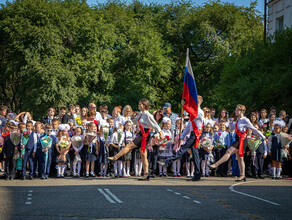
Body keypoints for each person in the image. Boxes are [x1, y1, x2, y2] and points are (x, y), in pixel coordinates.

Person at [107, 99, 164, 181]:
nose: (138, 105)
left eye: (140, 104)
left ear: (144, 105)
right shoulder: (141, 114)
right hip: (142, 134)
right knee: (143, 155)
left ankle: (115, 157)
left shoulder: (147, 115)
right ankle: (146, 174)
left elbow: (155, 124)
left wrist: (160, 133)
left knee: (129, 145)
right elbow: (135, 122)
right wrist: (132, 118)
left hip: (144, 135)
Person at [209, 104, 266, 182]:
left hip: (242, 140)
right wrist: (231, 123)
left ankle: (216, 164)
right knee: (240, 158)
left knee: (229, 151)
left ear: (242, 111)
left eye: (237, 110)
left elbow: (254, 129)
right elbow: (232, 128)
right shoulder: (237, 120)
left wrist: (263, 136)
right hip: (237, 138)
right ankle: (242, 175)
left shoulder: (245, 120)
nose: (235, 111)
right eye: (235, 110)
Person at [158, 96, 204, 181]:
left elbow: (194, 114)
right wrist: (181, 137)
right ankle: (197, 175)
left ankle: (167, 162)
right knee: (195, 155)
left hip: (196, 135)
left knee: (183, 148)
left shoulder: (199, 112)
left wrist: (184, 105)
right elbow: (188, 127)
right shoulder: (192, 113)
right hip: (193, 134)